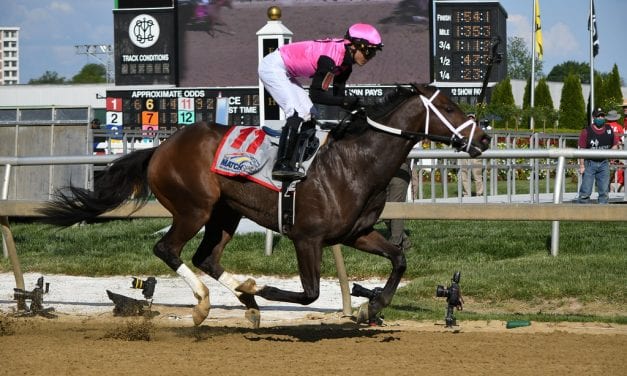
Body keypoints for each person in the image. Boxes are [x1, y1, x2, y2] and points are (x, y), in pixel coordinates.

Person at [258, 23, 383, 181]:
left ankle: (299, 158)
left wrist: (358, 108)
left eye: (373, 53)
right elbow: (317, 96)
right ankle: (281, 165)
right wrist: (346, 102)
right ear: (353, 46)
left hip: (286, 71)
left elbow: (339, 97)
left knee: (310, 113)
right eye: (367, 51)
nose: (369, 57)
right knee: (296, 112)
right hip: (272, 67)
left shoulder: (346, 65)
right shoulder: (329, 59)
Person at [575, 109, 620, 204]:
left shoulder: (609, 129)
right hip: (590, 163)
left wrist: (613, 157)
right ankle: (582, 211)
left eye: (602, 116)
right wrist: (582, 165)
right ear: (594, 118)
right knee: (585, 191)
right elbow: (581, 149)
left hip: (604, 163)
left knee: (604, 191)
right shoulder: (586, 131)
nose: (600, 118)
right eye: (598, 116)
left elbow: (614, 145)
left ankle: (603, 213)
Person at [385, 161, 412, 252]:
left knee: (395, 209)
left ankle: (395, 246)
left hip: (400, 170)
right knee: (385, 212)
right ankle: (404, 240)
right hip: (383, 169)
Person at [457, 113, 484, 197]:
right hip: (464, 153)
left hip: (475, 153)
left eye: (472, 118)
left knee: (477, 174)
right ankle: (466, 194)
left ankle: (479, 193)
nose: (470, 119)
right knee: (464, 173)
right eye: (469, 118)